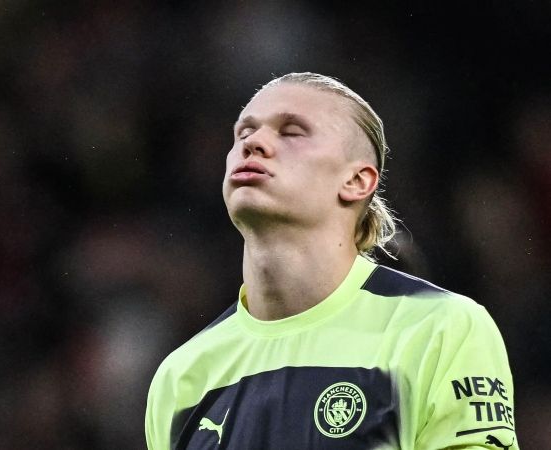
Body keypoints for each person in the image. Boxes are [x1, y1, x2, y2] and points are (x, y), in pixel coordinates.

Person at [145, 72, 518, 449]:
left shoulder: (437, 328)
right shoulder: (182, 376)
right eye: (243, 133)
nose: (254, 143)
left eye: (291, 131)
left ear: (357, 181)